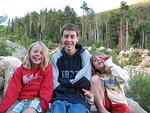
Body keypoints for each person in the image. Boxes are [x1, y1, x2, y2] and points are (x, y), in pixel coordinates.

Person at [46, 23, 91, 113]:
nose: (69, 40)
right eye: (66, 36)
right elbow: (54, 82)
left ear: (77, 39)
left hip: (79, 98)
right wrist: (74, 84)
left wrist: (63, 81)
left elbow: (85, 81)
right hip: (60, 97)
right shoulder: (56, 57)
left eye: (72, 37)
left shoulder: (84, 55)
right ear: (62, 38)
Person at [0, 41, 53, 113]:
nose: (38, 54)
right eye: (35, 51)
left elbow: (47, 90)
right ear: (29, 53)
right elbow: (12, 91)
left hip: (37, 100)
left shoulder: (47, 69)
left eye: (41, 53)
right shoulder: (20, 70)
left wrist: (44, 105)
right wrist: (2, 109)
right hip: (21, 100)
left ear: (45, 56)